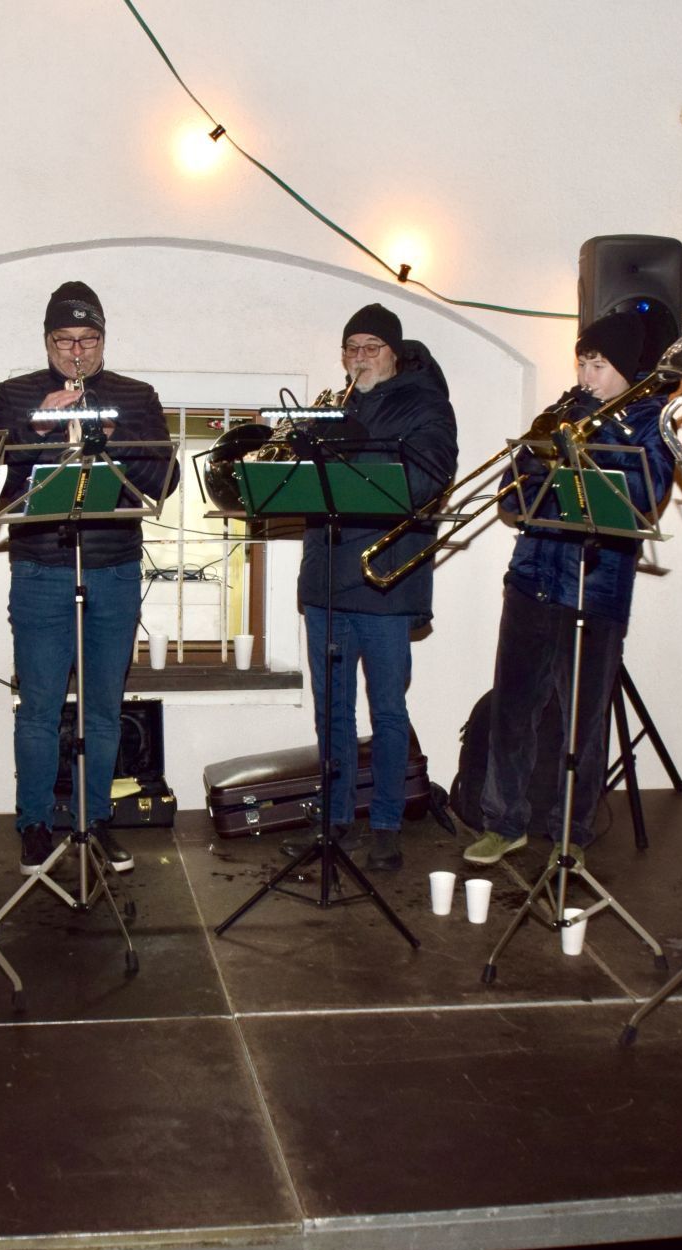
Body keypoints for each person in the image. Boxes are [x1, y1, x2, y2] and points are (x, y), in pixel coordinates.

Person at [463, 311, 671, 866]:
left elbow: (643, 494)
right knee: (512, 708)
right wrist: (539, 468)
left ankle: (571, 834)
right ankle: (502, 823)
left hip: (596, 588)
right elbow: (511, 499)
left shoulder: (652, 421)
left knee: (583, 720)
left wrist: (582, 462)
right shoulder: (558, 415)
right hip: (531, 579)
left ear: (626, 370)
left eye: (598, 365)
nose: (586, 375)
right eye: (582, 362)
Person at [0, 282, 174, 876]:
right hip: (42, 564)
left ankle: (95, 823)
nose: (77, 353)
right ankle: (35, 825)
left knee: (102, 708)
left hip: (114, 565)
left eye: (88, 341)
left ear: (102, 341)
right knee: (38, 707)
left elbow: (162, 482)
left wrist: (117, 442)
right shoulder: (14, 395)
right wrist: (41, 430)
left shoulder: (136, 396)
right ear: (46, 342)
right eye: (64, 341)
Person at [296, 304, 458, 873]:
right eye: (351, 348)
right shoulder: (332, 406)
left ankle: (386, 823)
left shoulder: (426, 406)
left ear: (393, 352)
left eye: (371, 347)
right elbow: (298, 489)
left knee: (388, 712)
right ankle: (334, 818)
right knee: (330, 711)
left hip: (384, 580)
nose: (359, 358)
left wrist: (353, 441)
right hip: (326, 581)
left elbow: (420, 484)